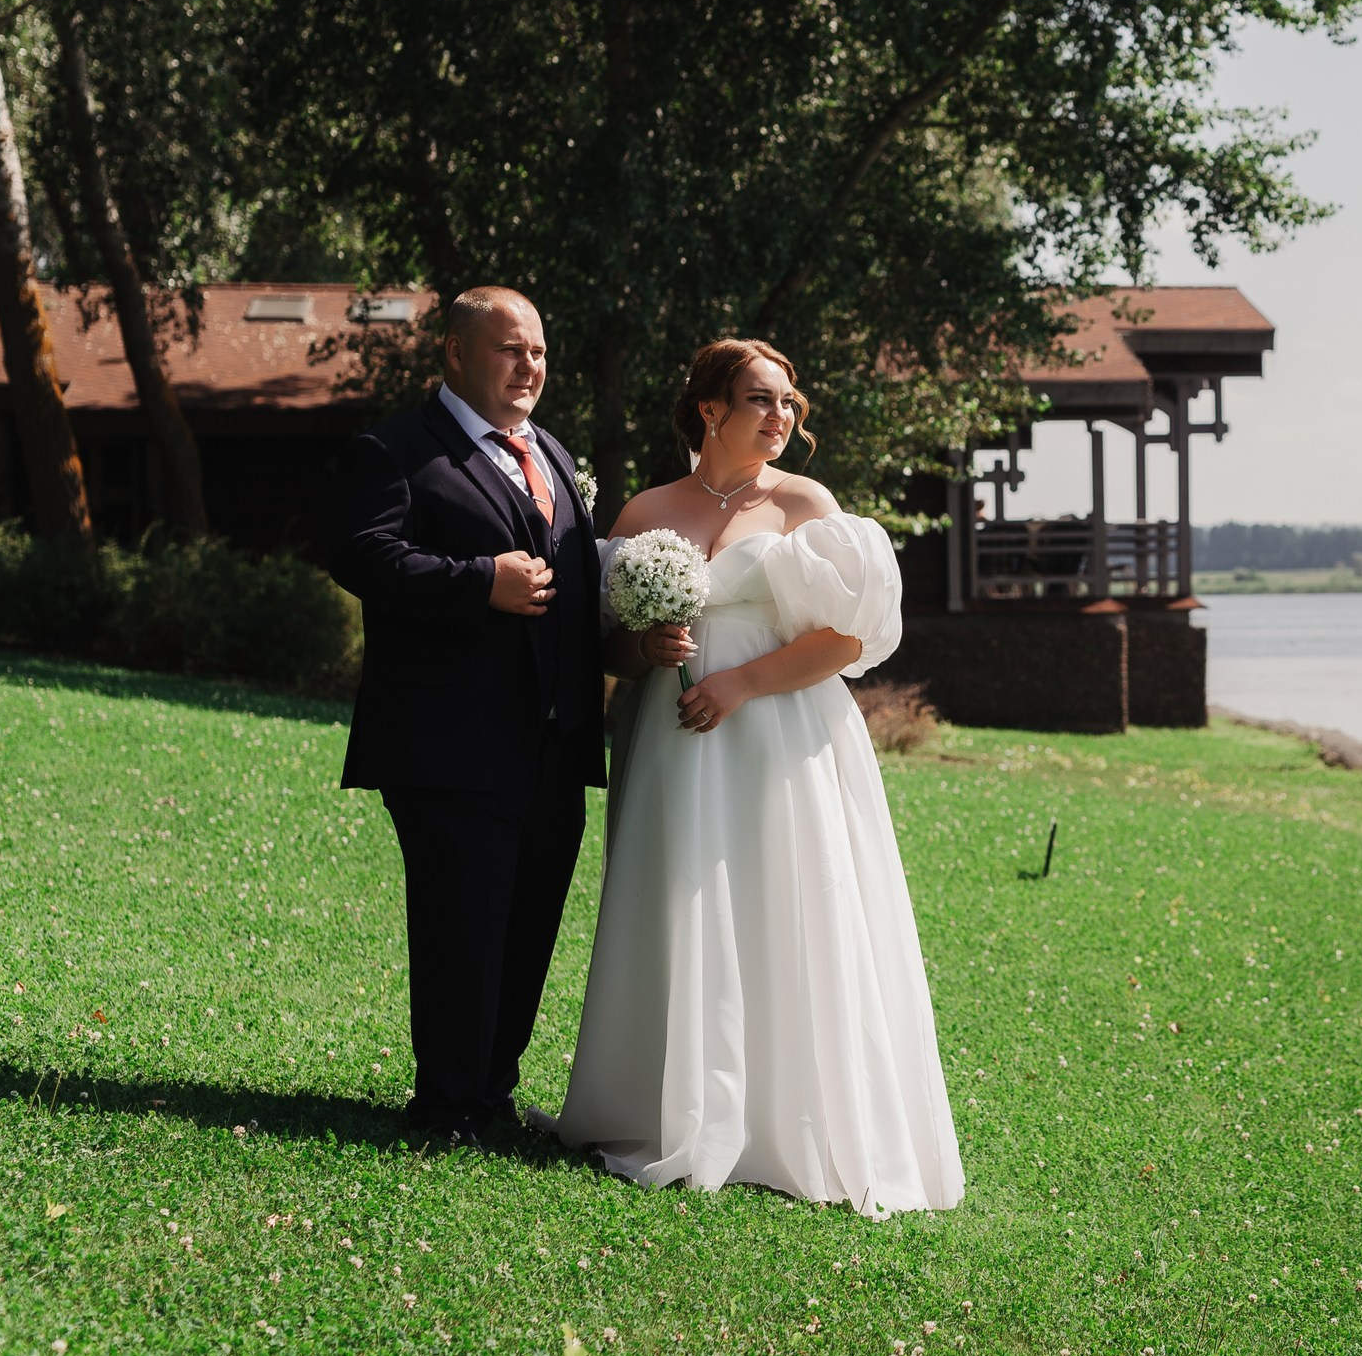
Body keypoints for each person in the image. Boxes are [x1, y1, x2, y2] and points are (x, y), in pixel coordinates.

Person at [549, 338, 963, 1212]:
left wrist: (739, 682)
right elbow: (608, 641)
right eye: (762, 400)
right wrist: (645, 646)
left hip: (781, 734)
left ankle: (788, 1119)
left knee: (786, 898)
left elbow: (846, 641)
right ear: (711, 410)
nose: (782, 418)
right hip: (668, 736)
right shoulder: (648, 507)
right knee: (676, 900)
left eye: (788, 403)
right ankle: (660, 1105)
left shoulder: (805, 502)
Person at [327, 287, 604, 1146]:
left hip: (551, 742)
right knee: (460, 925)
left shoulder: (549, 452)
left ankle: (491, 1089)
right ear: (455, 353)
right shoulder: (399, 448)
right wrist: (480, 580)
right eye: (509, 349)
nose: (530, 367)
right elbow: (363, 555)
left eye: (540, 351)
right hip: (448, 742)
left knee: (526, 925)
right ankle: (445, 1104)